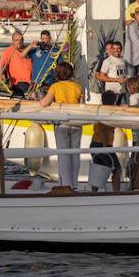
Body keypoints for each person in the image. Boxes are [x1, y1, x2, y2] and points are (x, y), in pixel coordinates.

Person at [39, 61, 84, 189]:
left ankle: (65, 184)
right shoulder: (77, 87)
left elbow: (44, 103)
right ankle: (74, 184)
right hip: (76, 123)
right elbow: (82, 105)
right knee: (75, 155)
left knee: (63, 155)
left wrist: (39, 98)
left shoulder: (55, 87)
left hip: (61, 123)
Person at [88, 91, 123, 192]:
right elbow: (104, 130)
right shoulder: (107, 112)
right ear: (113, 101)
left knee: (98, 169)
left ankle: (94, 193)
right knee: (117, 169)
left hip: (94, 143)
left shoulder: (100, 110)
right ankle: (116, 192)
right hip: (102, 144)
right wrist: (105, 147)